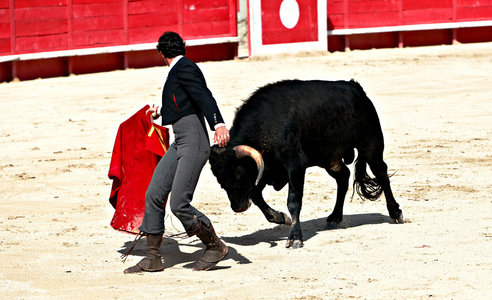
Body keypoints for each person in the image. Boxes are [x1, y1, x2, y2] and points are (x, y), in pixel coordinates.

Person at [123, 31, 230, 273]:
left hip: (193, 141)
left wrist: (218, 124)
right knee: (154, 194)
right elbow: (186, 99)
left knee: (180, 203)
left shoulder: (184, 68)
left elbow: (204, 95)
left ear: (161, 53)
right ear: (184, 47)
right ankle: (153, 257)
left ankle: (215, 246)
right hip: (181, 141)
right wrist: (160, 111)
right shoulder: (181, 69)